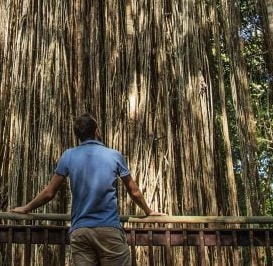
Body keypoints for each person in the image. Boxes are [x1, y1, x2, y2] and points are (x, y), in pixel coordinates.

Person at [11, 113, 166, 265]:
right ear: (97, 131)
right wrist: (148, 211)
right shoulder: (114, 156)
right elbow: (134, 192)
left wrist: (26, 207)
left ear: (78, 135)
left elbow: (49, 193)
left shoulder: (68, 156)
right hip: (108, 230)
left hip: (81, 232)